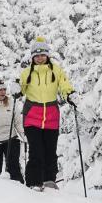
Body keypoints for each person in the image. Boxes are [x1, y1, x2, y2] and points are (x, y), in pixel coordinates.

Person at [18, 37, 75, 191]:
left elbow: (64, 84)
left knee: (50, 151)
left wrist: (69, 94)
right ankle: (33, 182)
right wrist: (16, 90)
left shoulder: (56, 70)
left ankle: (49, 180)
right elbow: (20, 87)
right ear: (32, 57)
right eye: (37, 55)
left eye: (43, 55)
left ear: (47, 55)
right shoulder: (26, 73)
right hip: (32, 117)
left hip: (51, 117)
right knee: (36, 151)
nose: (40, 58)